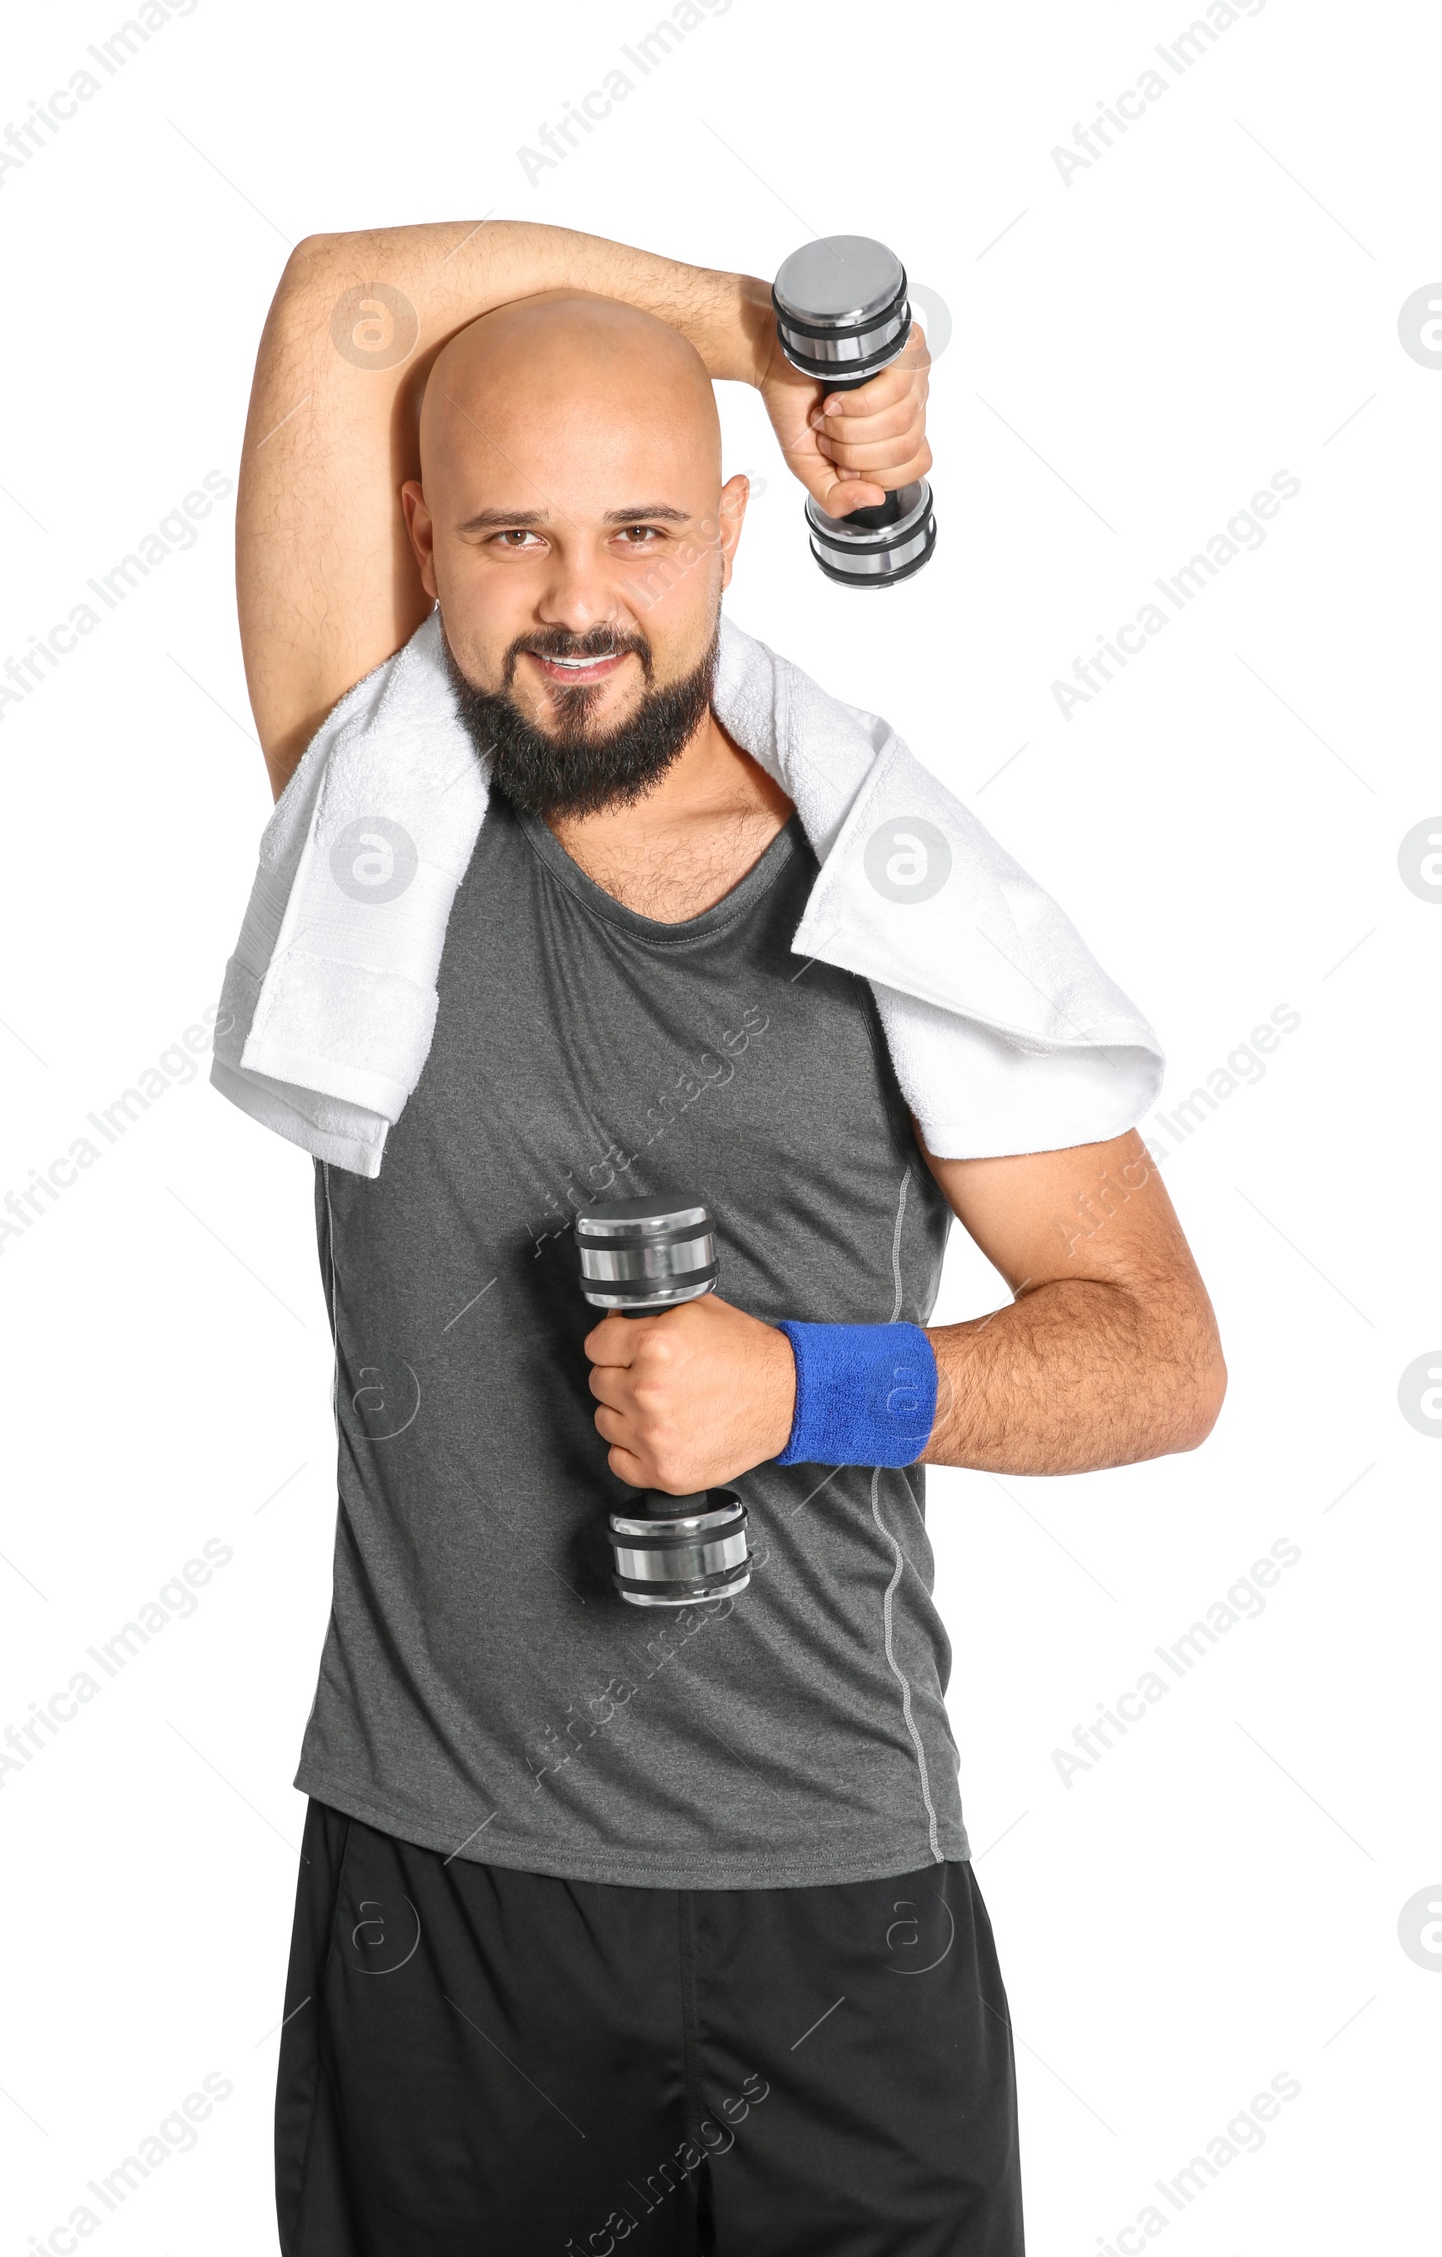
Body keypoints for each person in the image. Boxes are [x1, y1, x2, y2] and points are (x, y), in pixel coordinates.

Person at [231, 219, 1226, 2257]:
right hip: (440, 1905)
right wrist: (756, 336)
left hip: (826, 1907)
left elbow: (1155, 1353)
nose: (579, 601)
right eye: (510, 538)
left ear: (732, 531)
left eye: (642, 531)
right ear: (420, 538)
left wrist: (803, 1386)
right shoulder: (370, 826)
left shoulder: (895, 896)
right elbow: (343, 294)